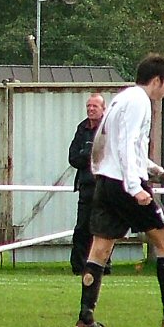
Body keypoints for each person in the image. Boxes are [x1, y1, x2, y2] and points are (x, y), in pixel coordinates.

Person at [75, 53, 164, 327]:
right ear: (156, 80)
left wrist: (159, 171)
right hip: (125, 183)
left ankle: (85, 317)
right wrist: (135, 188)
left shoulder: (122, 98)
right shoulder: (140, 102)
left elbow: (112, 144)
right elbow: (126, 145)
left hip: (108, 181)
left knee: (100, 248)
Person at [68, 94, 107, 276]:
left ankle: (102, 265)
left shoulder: (107, 129)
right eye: (89, 106)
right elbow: (74, 158)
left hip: (104, 186)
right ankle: (79, 266)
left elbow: (105, 157)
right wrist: (89, 154)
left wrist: (88, 154)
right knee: (82, 227)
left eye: (95, 106)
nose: (91, 109)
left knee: (102, 227)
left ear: (103, 109)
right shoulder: (82, 128)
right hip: (85, 185)